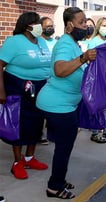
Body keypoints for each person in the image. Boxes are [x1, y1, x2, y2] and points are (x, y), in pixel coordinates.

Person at [36, 7, 97, 199]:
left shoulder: (72, 42)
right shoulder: (65, 44)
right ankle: (54, 186)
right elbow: (60, 70)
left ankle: (59, 179)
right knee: (64, 146)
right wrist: (83, 58)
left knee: (65, 145)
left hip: (63, 104)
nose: (85, 25)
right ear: (69, 25)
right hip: (58, 105)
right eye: (81, 22)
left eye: (86, 21)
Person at [0, 12, 51, 180]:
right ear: (27, 24)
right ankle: (17, 162)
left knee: (37, 123)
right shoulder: (14, 42)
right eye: (36, 22)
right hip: (17, 87)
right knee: (19, 124)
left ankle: (29, 158)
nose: (40, 26)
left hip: (39, 89)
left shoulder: (42, 41)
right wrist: (1, 91)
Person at [87, 17, 106, 144]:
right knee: (97, 105)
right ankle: (95, 131)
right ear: (99, 26)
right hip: (97, 77)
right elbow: (90, 61)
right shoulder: (93, 42)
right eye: (104, 25)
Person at [38, 16, 58, 145]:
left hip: (53, 79)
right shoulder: (37, 41)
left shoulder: (55, 42)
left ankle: (50, 132)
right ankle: (40, 134)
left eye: (52, 26)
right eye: (47, 26)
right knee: (40, 109)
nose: (50, 28)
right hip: (40, 79)